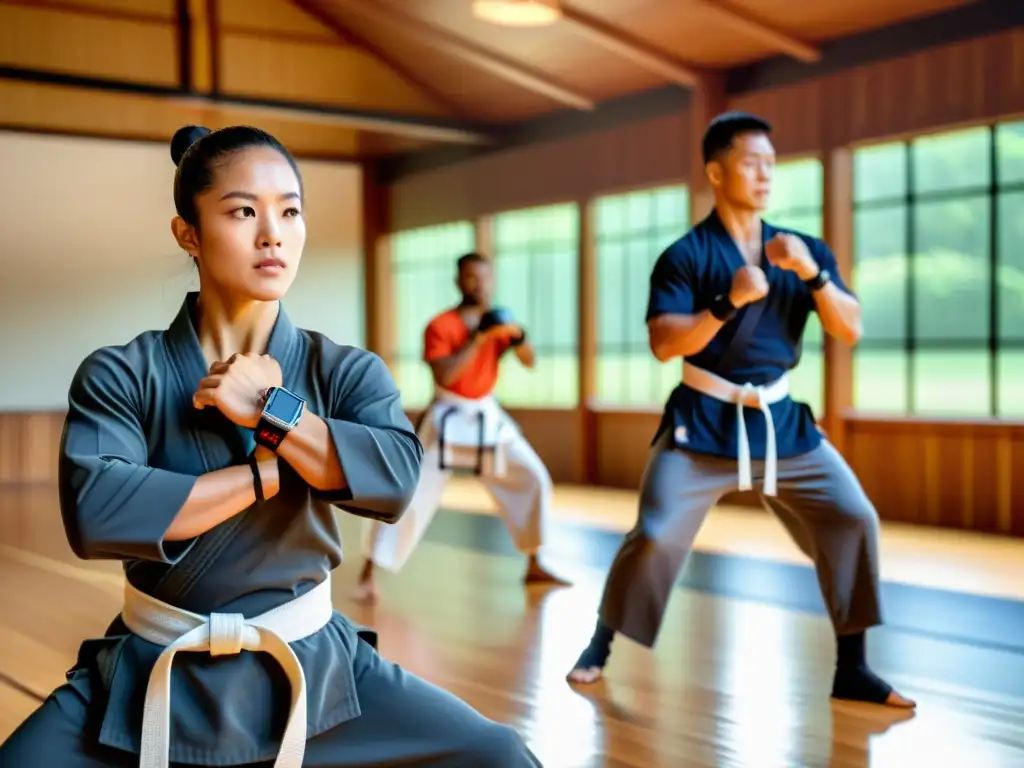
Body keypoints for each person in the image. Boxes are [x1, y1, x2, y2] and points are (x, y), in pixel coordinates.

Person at [0, 125, 542, 767]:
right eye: (243, 212)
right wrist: (264, 478)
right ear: (189, 234)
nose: (272, 233)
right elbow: (99, 515)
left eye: (289, 211)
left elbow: (396, 481)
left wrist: (273, 411)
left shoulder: (345, 370)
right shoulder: (121, 373)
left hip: (315, 672)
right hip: (153, 671)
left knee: (499, 755)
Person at [565, 111, 916, 710]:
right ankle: (600, 643)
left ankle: (852, 668)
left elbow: (849, 328)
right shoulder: (687, 254)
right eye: (752, 162)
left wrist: (812, 274)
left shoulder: (801, 250)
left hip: (780, 423)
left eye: (771, 164)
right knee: (653, 536)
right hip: (701, 421)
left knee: (853, 517)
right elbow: (665, 342)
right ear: (715, 172)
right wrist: (727, 301)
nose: (765, 174)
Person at [352, 253, 569, 605]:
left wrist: (517, 336)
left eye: (484, 277)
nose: (479, 283)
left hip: (486, 414)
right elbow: (446, 375)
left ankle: (535, 564)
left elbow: (531, 362)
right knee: (410, 494)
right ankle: (367, 575)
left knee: (533, 477)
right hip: (447, 416)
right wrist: (478, 338)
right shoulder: (440, 325)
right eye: (471, 277)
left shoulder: (499, 322)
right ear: (458, 281)